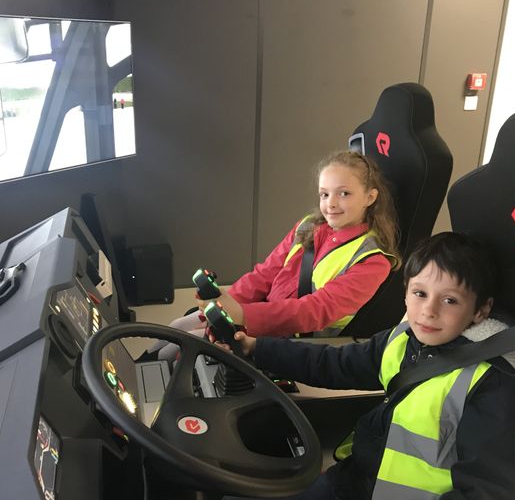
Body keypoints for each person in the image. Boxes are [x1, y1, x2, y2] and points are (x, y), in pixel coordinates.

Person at [215, 232, 515, 500]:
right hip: (356, 485)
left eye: (450, 301)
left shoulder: (493, 384)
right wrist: (258, 348)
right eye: (420, 293)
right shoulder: (403, 340)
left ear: (480, 310)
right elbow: (334, 364)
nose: (428, 311)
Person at [144, 150, 401, 363]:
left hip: (296, 338)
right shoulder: (309, 225)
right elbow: (265, 274)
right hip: (263, 312)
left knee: (179, 349)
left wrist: (243, 315)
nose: (331, 203)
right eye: (324, 194)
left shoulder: (372, 261)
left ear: (370, 197)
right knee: (178, 325)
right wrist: (226, 302)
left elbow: (312, 312)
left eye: (344, 193)